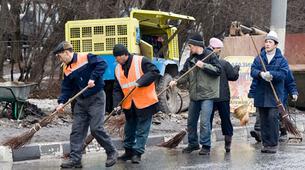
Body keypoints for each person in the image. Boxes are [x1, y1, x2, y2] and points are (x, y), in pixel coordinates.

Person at [53, 41, 118, 168]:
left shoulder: (86, 57)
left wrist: (93, 78)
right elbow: (66, 88)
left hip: (96, 98)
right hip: (81, 102)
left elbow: (102, 64)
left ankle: (112, 152)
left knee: (96, 128)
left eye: (59, 56)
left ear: (66, 52)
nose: (59, 59)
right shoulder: (66, 69)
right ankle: (75, 160)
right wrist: (61, 102)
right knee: (76, 131)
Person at [169, 33, 222, 155]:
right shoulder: (190, 59)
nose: (189, 48)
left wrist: (204, 65)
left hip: (207, 95)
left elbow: (218, 70)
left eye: (190, 45)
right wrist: (175, 81)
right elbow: (184, 74)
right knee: (191, 121)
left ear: (198, 45)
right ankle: (193, 144)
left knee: (204, 122)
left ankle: (206, 146)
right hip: (194, 95)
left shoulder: (210, 56)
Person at [112, 44, 160, 164]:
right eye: (115, 57)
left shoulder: (141, 61)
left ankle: (137, 153)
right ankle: (128, 152)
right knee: (129, 129)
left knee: (142, 129)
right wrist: (117, 104)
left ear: (125, 55)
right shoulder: (118, 69)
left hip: (145, 102)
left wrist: (141, 81)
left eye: (117, 56)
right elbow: (117, 88)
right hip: (129, 104)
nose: (116, 59)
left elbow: (154, 72)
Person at [250, 31, 289, 153]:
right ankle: (265, 144)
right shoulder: (259, 58)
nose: (267, 44)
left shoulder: (281, 59)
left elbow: (283, 74)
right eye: (266, 41)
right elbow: (253, 70)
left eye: (270, 42)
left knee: (272, 118)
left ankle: (272, 144)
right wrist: (261, 74)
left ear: (275, 44)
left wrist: (271, 75)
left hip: (274, 95)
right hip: (261, 94)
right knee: (263, 119)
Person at [249, 68, 298, 142]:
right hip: (264, 96)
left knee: (278, 116)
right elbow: (256, 80)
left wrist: (294, 92)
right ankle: (259, 131)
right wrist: (252, 92)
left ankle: (282, 131)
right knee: (261, 114)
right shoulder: (264, 67)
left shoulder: (284, 68)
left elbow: (290, 82)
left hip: (279, 98)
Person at [208, 38, 240, 152]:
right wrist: (236, 69)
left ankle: (206, 144)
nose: (220, 51)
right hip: (223, 97)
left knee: (208, 120)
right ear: (214, 49)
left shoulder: (204, 63)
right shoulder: (224, 63)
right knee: (225, 119)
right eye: (219, 49)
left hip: (209, 97)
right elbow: (233, 76)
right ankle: (227, 144)